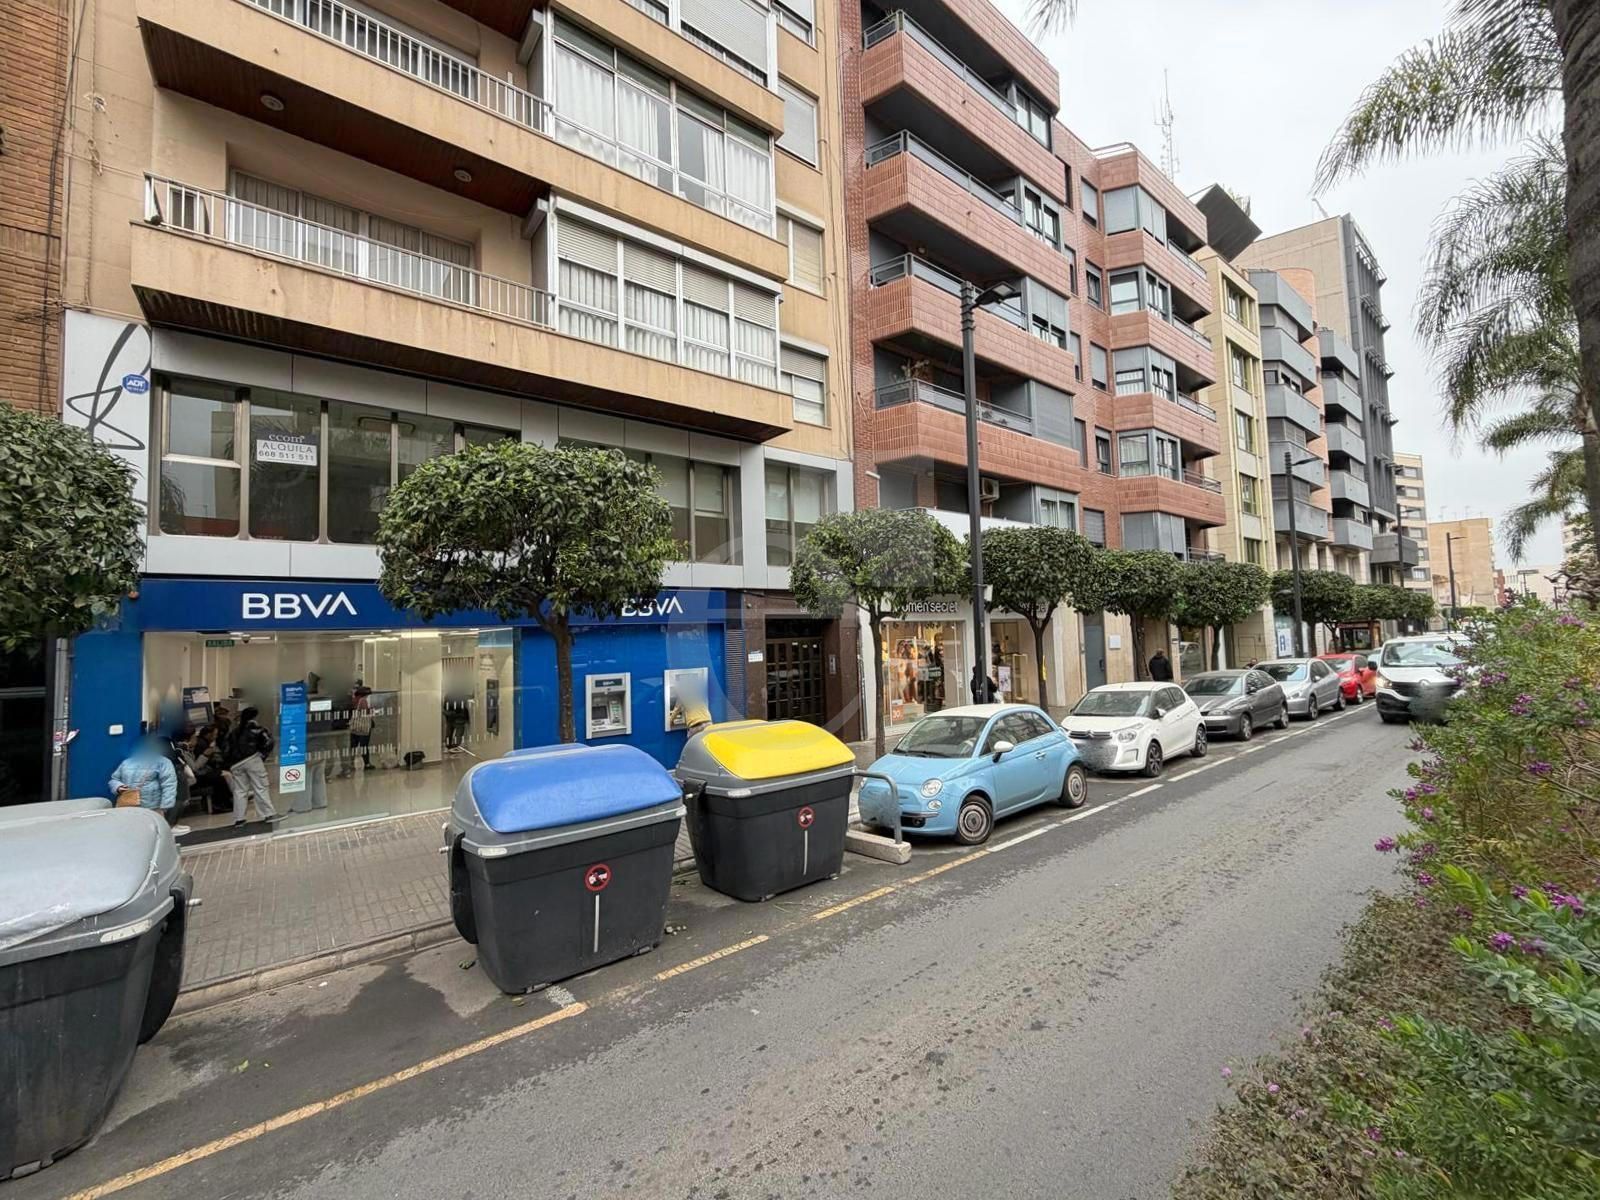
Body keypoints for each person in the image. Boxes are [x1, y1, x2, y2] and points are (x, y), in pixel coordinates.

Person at [226, 706, 279, 825]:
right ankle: (268, 814)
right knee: (260, 787)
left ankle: (239, 819)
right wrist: (262, 755)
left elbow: (227, 748)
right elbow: (269, 742)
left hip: (236, 764)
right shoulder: (258, 729)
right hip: (253, 760)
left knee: (240, 791)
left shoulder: (234, 731)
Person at [108, 734, 178, 822]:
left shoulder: (127, 762)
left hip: (139, 806)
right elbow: (169, 784)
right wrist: (166, 805)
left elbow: (114, 779)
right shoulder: (163, 762)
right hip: (146, 805)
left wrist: (118, 787)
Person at [348, 687, 374, 771]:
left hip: (354, 727)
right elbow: (365, 712)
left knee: (353, 746)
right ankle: (367, 764)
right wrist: (372, 711)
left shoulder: (354, 699)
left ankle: (350, 764)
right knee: (364, 746)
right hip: (363, 727)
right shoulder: (363, 700)